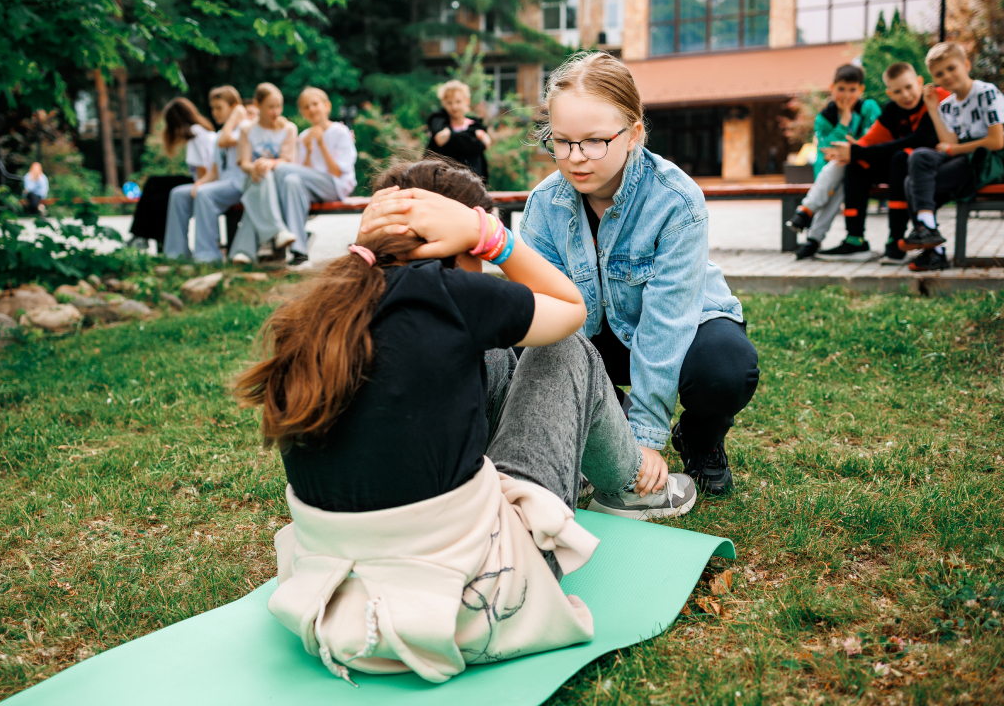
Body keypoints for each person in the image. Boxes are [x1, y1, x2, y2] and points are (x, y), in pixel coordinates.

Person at [235, 157, 695, 685]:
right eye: (479, 251)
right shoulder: (453, 295)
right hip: (477, 598)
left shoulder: (317, 309)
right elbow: (571, 308)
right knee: (564, 350)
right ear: (461, 243)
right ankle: (628, 484)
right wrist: (495, 238)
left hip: (339, 603)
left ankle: (592, 470)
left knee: (494, 355)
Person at [518, 51, 759, 498]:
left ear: (633, 134)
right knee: (520, 340)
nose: (575, 158)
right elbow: (550, 317)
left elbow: (666, 324)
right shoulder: (543, 206)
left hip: (684, 325)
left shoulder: (676, 201)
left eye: (593, 141)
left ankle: (700, 441)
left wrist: (647, 436)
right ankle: (606, 432)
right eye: (562, 141)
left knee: (725, 370)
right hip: (591, 334)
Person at [822, 63, 951, 263]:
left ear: (919, 82)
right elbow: (871, 139)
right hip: (902, 168)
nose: (905, 95)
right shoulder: (892, 110)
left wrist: (857, 150)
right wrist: (848, 151)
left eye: (909, 87)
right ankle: (855, 240)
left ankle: (896, 242)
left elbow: (919, 140)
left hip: (933, 167)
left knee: (900, 157)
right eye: (898, 91)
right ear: (890, 94)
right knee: (856, 162)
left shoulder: (935, 98)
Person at [905, 42, 1004, 272]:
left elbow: (996, 141)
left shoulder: (985, 92)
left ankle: (932, 249)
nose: (947, 76)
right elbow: (948, 142)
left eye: (951, 68)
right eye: (939, 73)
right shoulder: (947, 105)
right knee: (918, 159)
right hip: (964, 160)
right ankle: (929, 232)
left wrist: (954, 150)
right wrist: (932, 109)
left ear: (966, 65)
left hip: (991, 160)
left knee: (913, 184)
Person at [787, 65, 881, 260]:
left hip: (867, 168)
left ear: (861, 90)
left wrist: (852, 148)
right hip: (831, 173)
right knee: (836, 187)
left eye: (852, 89)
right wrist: (845, 121)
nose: (846, 95)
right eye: (841, 89)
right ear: (832, 88)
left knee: (842, 169)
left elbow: (875, 138)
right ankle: (813, 238)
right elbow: (827, 149)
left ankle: (806, 214)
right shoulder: (824, 117)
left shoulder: (869, 108)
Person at [272, 87, 358, 268]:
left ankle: (280, 228)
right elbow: (303, 174)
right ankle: (299, 252)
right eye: (306, 107)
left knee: (281, 170)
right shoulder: (304, 137)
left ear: (326, 106)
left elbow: (337, 173)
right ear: (302, 112)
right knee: (291, 181)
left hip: (335, 186)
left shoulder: (340, 131)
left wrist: (321, 144)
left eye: (315, 104)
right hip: (313, 187)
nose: (311, 109)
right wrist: (310, 150)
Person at [164, 86, 247, 262]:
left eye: (219, 108)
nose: (214, 112)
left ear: (233, 108)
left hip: (240, 184)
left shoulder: (245, 131)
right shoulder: (218, 135)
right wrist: (199, 183)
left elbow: (227, 142)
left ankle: (208, 255)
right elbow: (215, 172)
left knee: (205, 194)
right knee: (178, 194)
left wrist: (235, 118)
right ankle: (176, 253)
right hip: (222, 183)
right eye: (213, 108)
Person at [128, 97, 216, 250]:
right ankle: (142, 237)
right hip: (204, 180)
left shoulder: (194, 134)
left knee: (159, 197)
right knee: (153, 183)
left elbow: (202, 172)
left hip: (204, 182)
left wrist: (200, 186)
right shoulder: (201, 130)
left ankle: (143, 237)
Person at [230, 83, 299, 265]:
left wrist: (270, 163)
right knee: (262, 177)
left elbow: (288, 160)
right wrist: (254, 167)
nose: (276, 111)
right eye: (271, 107)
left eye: (278, 106)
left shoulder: (288, 128)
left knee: (261, 186)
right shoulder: (247, 129)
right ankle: (278, 231)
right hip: (251, 178)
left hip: (276, 182)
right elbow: (244, 163)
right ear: (257, 104)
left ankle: (243, 251)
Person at [425, 80, 491, 180]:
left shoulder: (476, 124)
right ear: (443, 103)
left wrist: (451, 135)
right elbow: (440, 139)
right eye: (449, 103)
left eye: (458, 101)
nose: (454, 106)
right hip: (444, 181)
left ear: (467, 101)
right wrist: (472, 136)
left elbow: (486, 143)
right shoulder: (439, 123)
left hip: (472, 181)